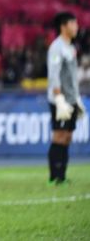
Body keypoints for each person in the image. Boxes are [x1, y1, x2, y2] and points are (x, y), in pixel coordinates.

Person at [46, 11, 86, 185]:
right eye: (73, 23)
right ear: (64, 26)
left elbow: (71, 76)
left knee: (68, 136)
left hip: (71, 99)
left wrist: (76, 98)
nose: (76, 27)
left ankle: (62, 175)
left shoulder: (70, 47)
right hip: (60, 100)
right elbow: (54, 74)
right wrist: (59, 98)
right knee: (59, 136)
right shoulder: (57, 47)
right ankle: (53, 177)